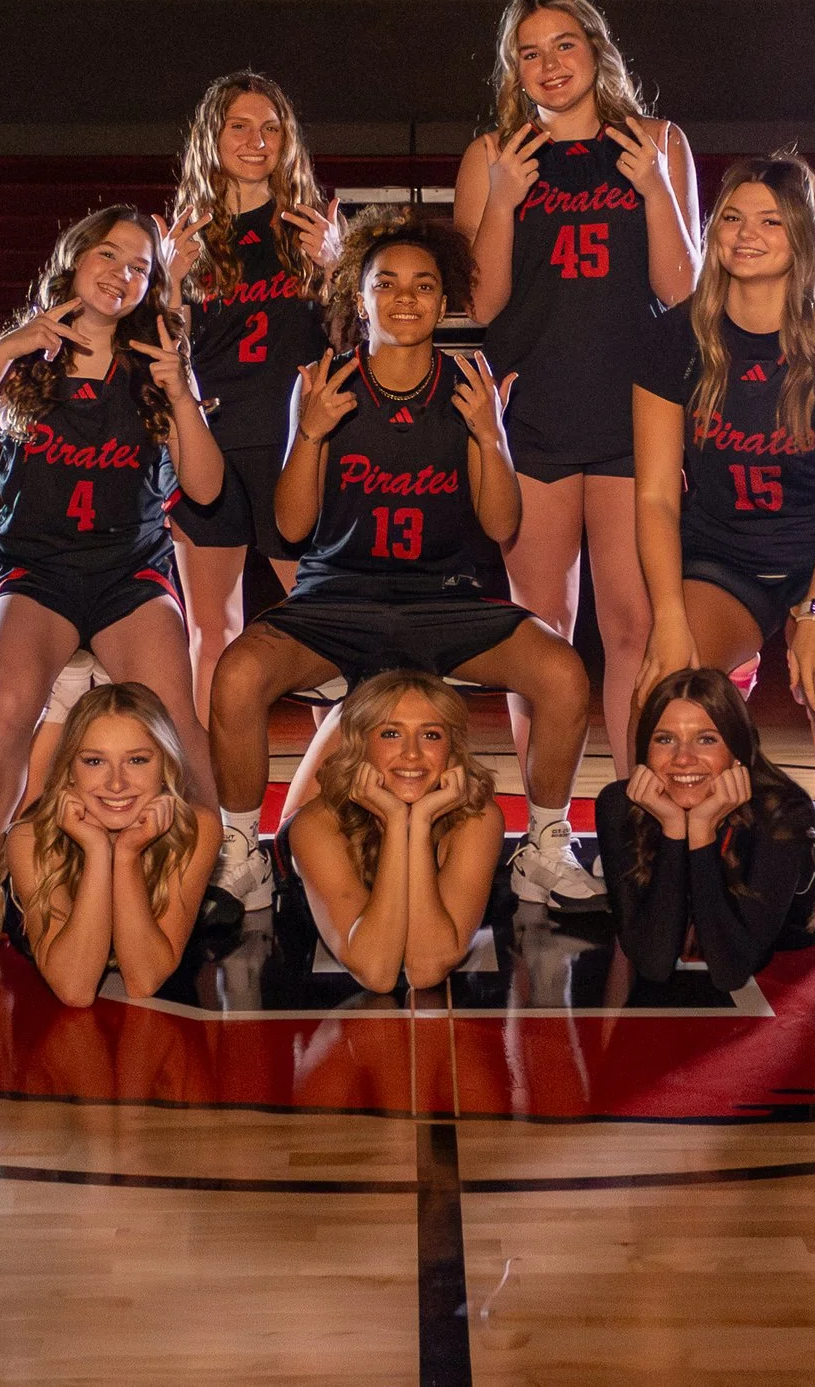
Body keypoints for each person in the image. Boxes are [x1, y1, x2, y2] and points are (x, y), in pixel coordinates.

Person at [207, 207, 597, 912]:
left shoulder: (469, 384)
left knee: (564, 674)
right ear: (359, 298)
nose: (406, 299)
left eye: (422, 286)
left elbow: (503, 524)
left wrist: (491, 434)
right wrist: (313, 433)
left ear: (444, 299)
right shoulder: (323, 384)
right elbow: (292, 527)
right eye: (387, 284)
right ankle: (244, 851)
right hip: (339, 599)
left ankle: (544, 843)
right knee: (237, 675)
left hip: (444, 597)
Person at [0, 205, 230, 932]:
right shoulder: (20, 353)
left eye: (139, 267)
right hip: (38, 568)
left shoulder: (158, 360)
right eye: (110, 254)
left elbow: (210, 489)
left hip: (131, 570)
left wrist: (182, 390)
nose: (122, 273)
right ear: (74, 254)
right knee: (4, 702)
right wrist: (5, 348)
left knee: (173, 711)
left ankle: (223, 853)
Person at [630, 152, 815, 932]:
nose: (745, 236)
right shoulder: (675, 337)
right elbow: (653, 497)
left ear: (804, 237)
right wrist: (671, 612)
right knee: (670, 686)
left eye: (770, 221)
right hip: (725, 551)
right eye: (732, 219)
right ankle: (684, 853)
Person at [452, 0, 701, 780]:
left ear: (596, 49)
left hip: (635, 413)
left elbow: (683, 288)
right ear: (513, 69)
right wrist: (501, 202)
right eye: (530, 51)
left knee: (633, 627)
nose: (550, 63)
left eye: (564, 44)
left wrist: (655, 187)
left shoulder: (657, 140)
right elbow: (480, 301)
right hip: (537, 414)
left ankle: (636, 809)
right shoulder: (492, 154)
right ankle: (550, 825)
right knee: (542, 634)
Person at [156, 72, 339, 720]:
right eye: (240, 125)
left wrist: (338, 273)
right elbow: (164, 354)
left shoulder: (310, 230)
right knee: (212, 635)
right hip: (209, 445)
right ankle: (214, 805)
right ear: (213, 135)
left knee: (322, 630)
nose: (256, 140)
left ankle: (334, 798)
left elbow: (352, 344)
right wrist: (170, 283)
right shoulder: (187, 236)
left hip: (293, 443)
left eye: (270, 127)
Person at [597, 668, 815, 992]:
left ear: (736, 750)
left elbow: (730, 972)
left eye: (706, 739)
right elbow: (653, 962)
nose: (683, 758)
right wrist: (675, 827)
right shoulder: (619, 804)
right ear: (645, 750)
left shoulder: (782, 816)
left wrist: (702, 830)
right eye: (665, 739)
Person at [0, 682, 222, 1007]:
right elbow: (74, 988)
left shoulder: (195, 827)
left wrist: (127, 854)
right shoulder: (32, 839)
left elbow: (144, 979)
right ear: (70, 770)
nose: (116, 784)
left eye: (138, 760)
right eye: (94, 762)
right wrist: (98, 849)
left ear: (166, 766)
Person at [280, 670, 505, 993]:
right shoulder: (316, 825)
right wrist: (398, 821)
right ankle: (350, 713)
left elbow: (426, 969)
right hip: (326, 808)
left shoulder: (478, 818)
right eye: (390, 734)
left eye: (431, 735)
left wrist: (420, 821)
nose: (412, 753)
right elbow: (377, 973)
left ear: (451, 749)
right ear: (361, 744)